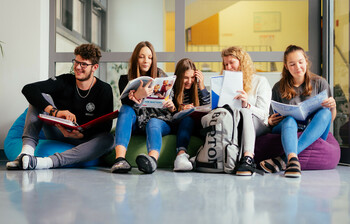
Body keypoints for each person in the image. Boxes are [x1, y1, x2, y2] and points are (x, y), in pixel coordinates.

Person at [6, 44, 114, 170]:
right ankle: (25, 154)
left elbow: (105, 127)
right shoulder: (65, 80)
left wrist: (80, 135)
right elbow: (29, 89)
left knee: (109, 140)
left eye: (83, 64)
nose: (78, 67)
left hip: (84, 140)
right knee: (39, 98)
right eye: (76, 62)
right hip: (59, 132)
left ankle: (45, 162)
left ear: (94, 67)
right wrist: (55, 112)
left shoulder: (104, 89)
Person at [260, 45, 336, 178]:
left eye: (301, 62)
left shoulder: (320, 83)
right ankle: (291, 159)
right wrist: (270, 121)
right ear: (286, 66)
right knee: (289, 120)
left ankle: (285, 159)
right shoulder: (278, 87)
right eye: (292, 64)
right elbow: (271, 116)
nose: (298, 67)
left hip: (313, 130)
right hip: (288, 129)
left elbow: (330, 118)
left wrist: (333, 106)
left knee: (326, 113)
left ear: (306, 61)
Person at [111, 41, 176, 174]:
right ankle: (120, 160)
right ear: (136, 58)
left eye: (150, 57)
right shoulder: (125, 79)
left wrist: (170, 105)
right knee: (125, 110)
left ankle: (151, 161)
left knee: (153, 122)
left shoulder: (162, 76)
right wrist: (137, 95)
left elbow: (172, 105)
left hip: (159, 120)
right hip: (137, 122)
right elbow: (126, 106)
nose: (146, 60)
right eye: (142, 56)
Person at [221, 46, 271, 176]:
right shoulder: (225, 83)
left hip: (257, 123)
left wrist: (247, 105)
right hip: (233, 121)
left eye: (232, 63)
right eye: (226, 64)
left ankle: (248, 158)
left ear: (242, 62)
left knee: (245, 112)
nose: (228, 67)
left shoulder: (260, 82)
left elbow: (264, 114)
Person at [172, 58, 210, 171]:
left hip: (196, 124)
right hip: (180, 124)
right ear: (179, 77)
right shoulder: (172, 90)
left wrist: (202, 85)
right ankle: (181, 155)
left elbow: (208, 106)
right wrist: (181, 109)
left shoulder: (197, 88)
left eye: (192, 77)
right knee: (187, 119)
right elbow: (168, 114)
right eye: (185, 78)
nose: (189, 81)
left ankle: (200, 156)